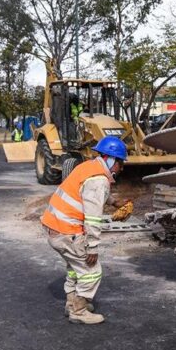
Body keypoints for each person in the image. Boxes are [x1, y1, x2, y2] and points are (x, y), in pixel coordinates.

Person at [40, 136, 127, 325]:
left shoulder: (87, 167)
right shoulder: (99, 181)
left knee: (74, 268)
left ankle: (71, 303)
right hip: (67, 231)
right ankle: (78, 311)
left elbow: (87, 193)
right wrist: (92, 248)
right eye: (120, 163)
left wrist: (113, 202)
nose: (121, 168)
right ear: (111, 160)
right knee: (91, 270)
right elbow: (93, 219)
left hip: (54, 227)